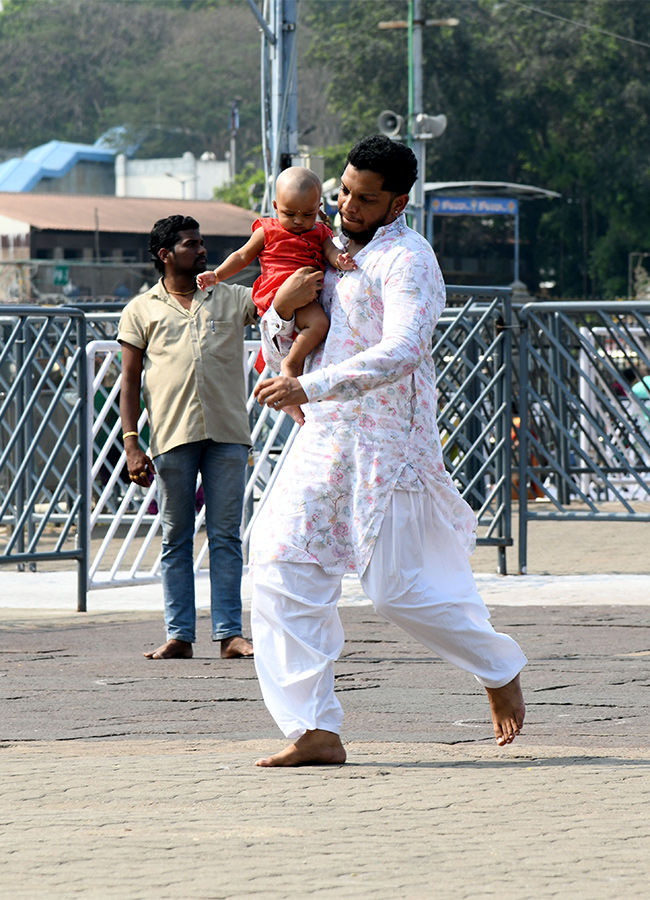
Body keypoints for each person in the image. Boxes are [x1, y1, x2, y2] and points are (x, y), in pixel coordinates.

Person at [248, 135, 527, 766]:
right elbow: (281, 323)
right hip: (323, 435)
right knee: (277, 562)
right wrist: (283, 316)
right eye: (344, 190)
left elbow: (404, 350)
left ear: (398, 201)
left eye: (364, 198)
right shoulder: (319, 242)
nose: (346, 205)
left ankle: (497, 665)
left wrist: (308, 384)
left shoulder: (410, 260)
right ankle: (313, 727)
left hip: (388, 444)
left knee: (394, 589)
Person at [117, 214, 257, 661]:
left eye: (201, 242)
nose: (201, 250)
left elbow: (275, 303)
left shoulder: (230, 296)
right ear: (165, 255)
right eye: (191, 244)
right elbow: (130, 382)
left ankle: (230, 634)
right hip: (172, 438)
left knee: (226, 537)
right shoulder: (141, 310)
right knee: (175, 537)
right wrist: (132, 442)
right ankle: (179, 634)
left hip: (228, 433)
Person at [197, 167, 355, 422]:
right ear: (275, 206)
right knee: (318, 324)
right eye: (289, 213)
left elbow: (330, 252)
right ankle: (290, 364)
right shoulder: (267, 230)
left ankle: (291, 390)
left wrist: (342, 261)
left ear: (319, 207)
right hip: (276, 294)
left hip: (307, 296)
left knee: (316, 332)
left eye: (308, 214)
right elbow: (241, 256)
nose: (298, 220)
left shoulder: (321, 232)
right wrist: (216, 275)